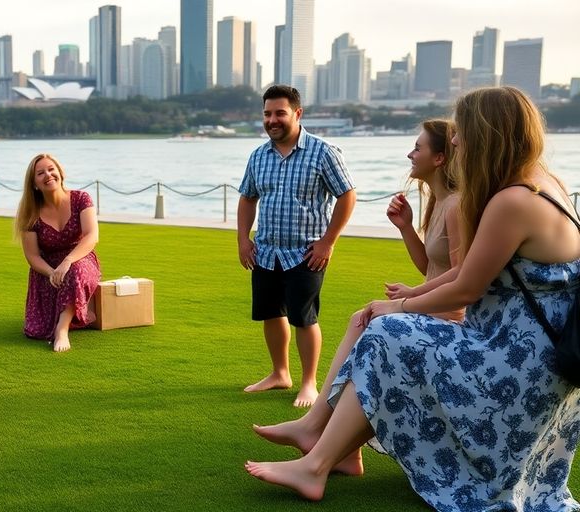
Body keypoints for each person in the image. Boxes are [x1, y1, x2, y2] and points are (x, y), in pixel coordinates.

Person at [245, 86, 580, 510]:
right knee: (388, 332)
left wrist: (397, 305)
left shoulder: (514, 200)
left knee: (388, 332)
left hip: (514, 366)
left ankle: (316, 463)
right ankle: (328, 446)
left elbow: (465, 287)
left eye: (463, 132)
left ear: (487, 133)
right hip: (534, 358)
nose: (455, 140)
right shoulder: (544, 184)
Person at [251, 119, 463, 476]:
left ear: (440, 158)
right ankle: (339, 446)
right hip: (432, 305)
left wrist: (409, 296)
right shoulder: (437, 203)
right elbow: (432, 265)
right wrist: (407, 228)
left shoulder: (457, 205)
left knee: (366, 325)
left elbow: (460, 274)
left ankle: (318, 430)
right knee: (362, 321)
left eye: (418, 147)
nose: (411, 153)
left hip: (448, 315)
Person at [237, 84, 357, 407]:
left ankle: (308, 383)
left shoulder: (322, 152)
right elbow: (248, 198)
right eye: (267, 114)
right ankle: (280, 373)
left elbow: (347, 195)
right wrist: (242, 239)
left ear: (297, 114)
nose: (272, 120)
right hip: (265, 251)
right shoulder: (258, 156)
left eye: (279, 113)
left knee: (304, 317)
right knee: (270, 313)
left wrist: (328, 242)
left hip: (306, 253)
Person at [15, 153, 101, 352]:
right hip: (47, 270)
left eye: (51, 169)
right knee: (36, 330)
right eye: (40, 173)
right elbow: (32, 256)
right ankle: (81, 311)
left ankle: (61, 330)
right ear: (34, 183)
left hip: (80, 258)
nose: (48, 175)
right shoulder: (30, 211)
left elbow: (91, 236)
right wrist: (53, 272)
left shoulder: (81, 199)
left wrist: (68, 261)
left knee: (75, 271)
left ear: (60, 173)